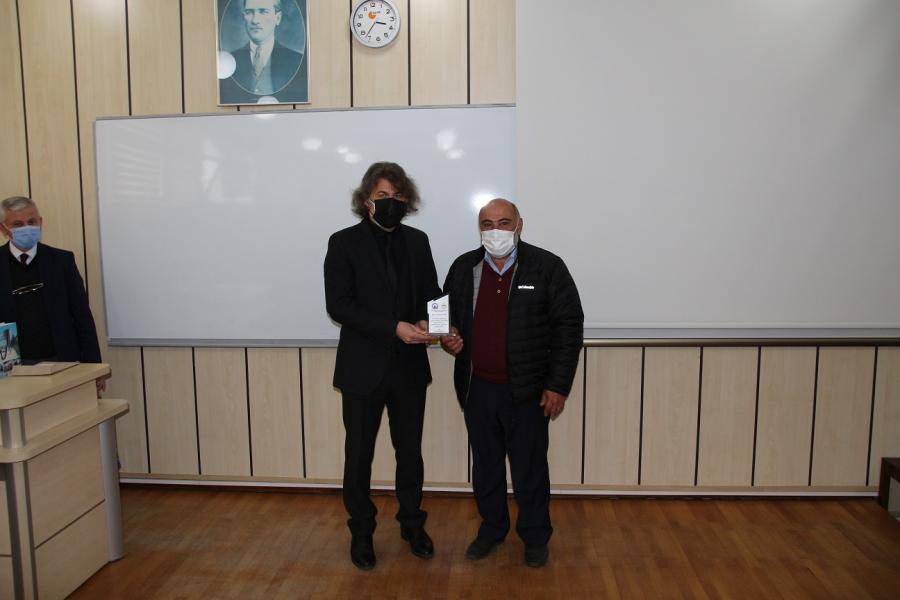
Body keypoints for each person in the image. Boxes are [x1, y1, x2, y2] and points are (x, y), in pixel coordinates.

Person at [441, 198, 583, 568]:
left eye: (504, 222)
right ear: (479, 229)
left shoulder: (547, 267)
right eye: (487, 224)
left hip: (528, 391)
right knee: (486, 467)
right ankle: (492, 529)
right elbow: (448, 322)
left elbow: (569, 329)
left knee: (529, 469)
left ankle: (535, 537)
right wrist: (449, 338)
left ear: (519, 225)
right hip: (477, 388)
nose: (496, 231)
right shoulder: (463, 268)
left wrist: (558, 385)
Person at [324, 162, 446, 570]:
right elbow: (339, 305)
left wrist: (432, 322)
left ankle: (412, 524)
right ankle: (361, 532)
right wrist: (394, 327)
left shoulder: (418, 241)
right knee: (359, 455)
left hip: (409, 368)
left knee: (409, 452)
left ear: (407, 200)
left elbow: (431, 292)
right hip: (362, 369)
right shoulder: (343, 243)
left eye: (397, 197)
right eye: (382, 196)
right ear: (366, 201)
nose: (391, 203)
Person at [0, 196, 105, 390]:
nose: (27, 228)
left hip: (62, 362)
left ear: (41, 222)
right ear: (4, 229)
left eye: (32, 222)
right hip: (13, 369)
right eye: (18, 224)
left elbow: (82, 317)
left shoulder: (61, 261)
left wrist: (95, 368)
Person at [229, 0, 304, 96]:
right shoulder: (230, 61)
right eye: (249, 12)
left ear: (278, 18)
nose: (255, 20)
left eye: (263, 11)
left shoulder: (296, 61)